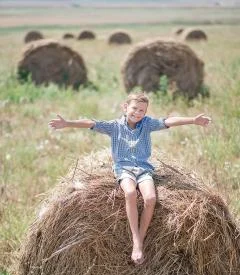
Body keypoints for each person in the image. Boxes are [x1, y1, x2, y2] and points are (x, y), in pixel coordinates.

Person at [49, 92, 211, 265]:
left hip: (143, 169)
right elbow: (91, 123)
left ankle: (140, 241)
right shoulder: (114, 126)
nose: (138, 113)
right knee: (130, 193)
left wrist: (193, 120)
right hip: (124, 168)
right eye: (135, 108)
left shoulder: (147, 124)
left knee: (150, 198)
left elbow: (168, 121)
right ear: (125, 107)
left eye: (142, 110)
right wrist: (67, 123)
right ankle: (136, 239)